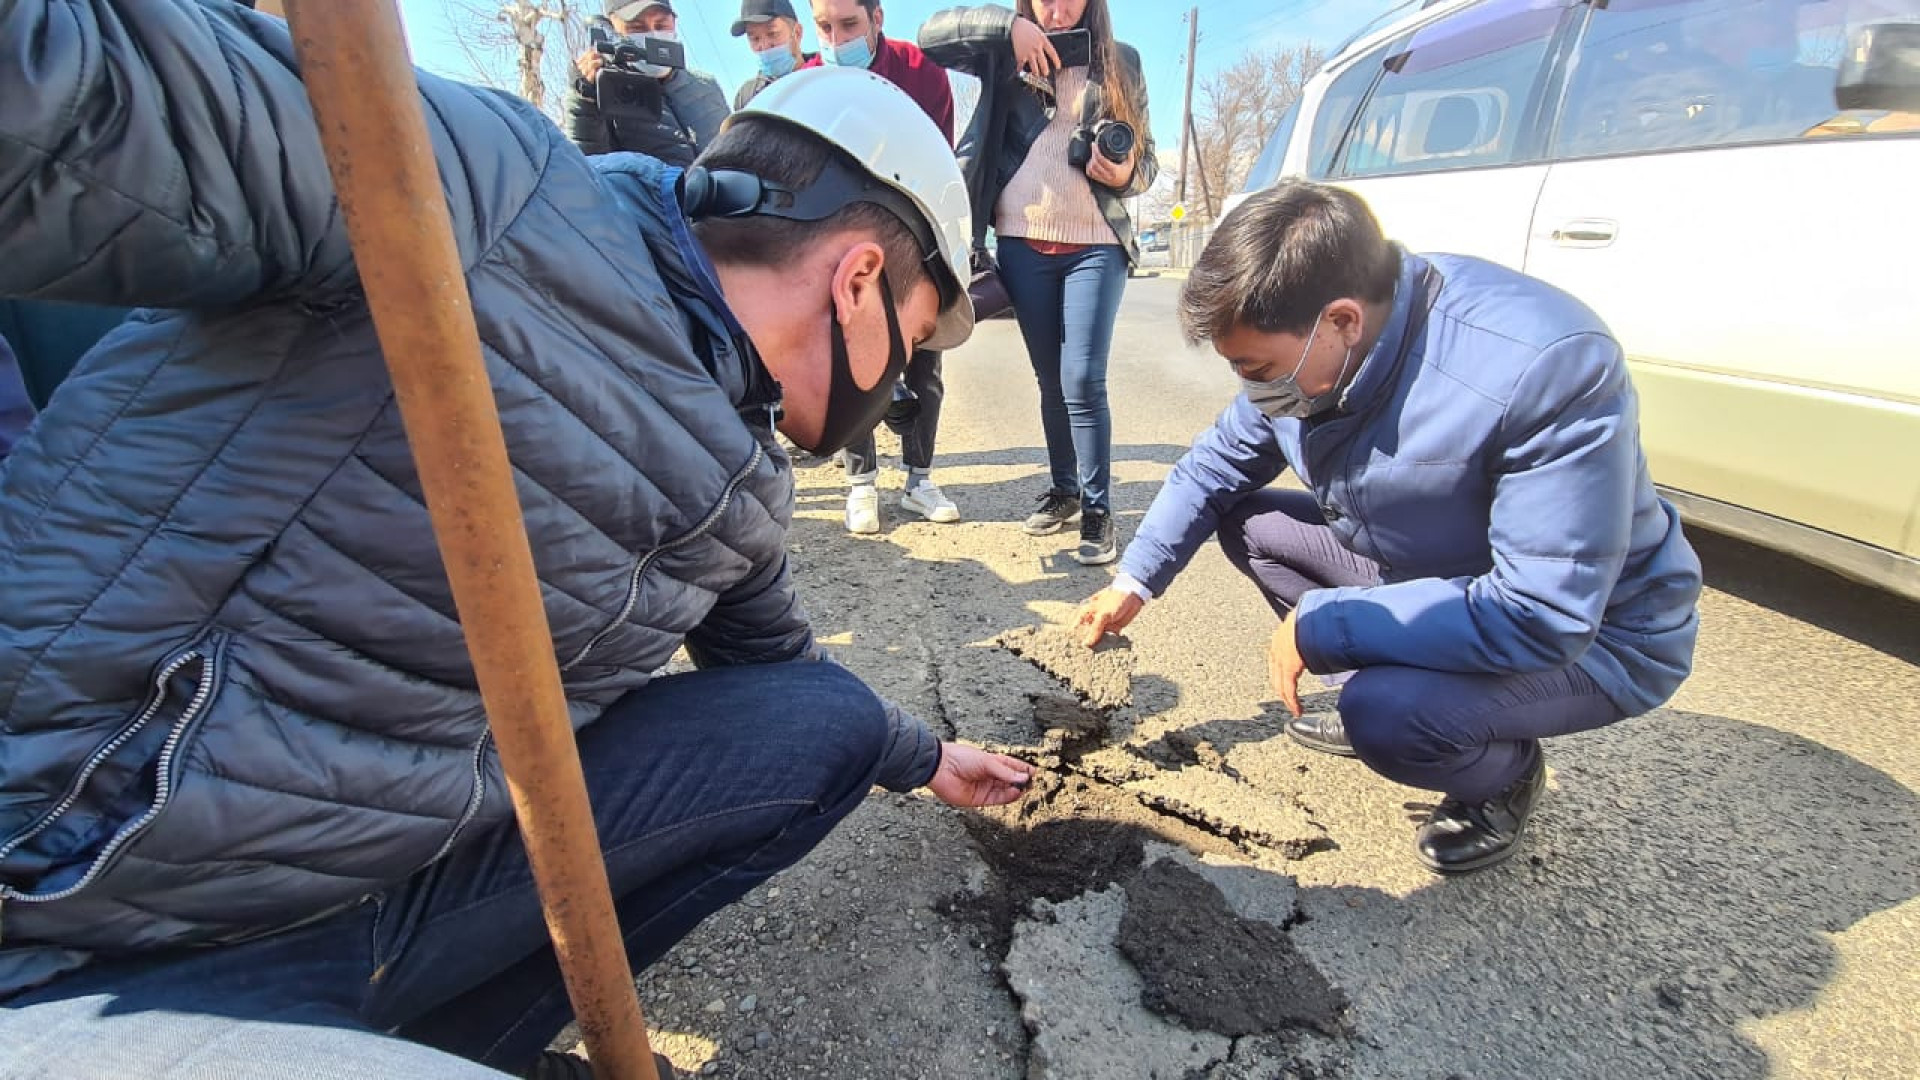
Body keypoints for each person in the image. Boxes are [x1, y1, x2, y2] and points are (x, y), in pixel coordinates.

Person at [0, 4, 1030, 1076]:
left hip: (372, 904)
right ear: (857, 278)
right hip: (83, 921)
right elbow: (74, 95)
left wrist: (922, 754)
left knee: (828, 720)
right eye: (913, 338)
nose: (902, 379)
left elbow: (778, 669)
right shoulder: (470, 187)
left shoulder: (741, 465)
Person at [1076, 182, 1703, 875]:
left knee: (1387, 713)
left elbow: (1543, 612)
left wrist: (1328, 625)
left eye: (1258, 370)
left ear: (1341, 321)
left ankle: (1500, 773)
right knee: (1252, 525)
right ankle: (1423, 688)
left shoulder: (1541, 366)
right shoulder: (1315, 356)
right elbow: (1210, 468)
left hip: (1596, 631)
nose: (1254, 391)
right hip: (1432, 573)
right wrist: (1133, 582)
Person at [921, 0, 1157, 565]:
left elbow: (1146, 163)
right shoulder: (1005, 57)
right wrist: (1009, 28)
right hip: (1023, 244)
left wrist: (1125, 173)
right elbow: (932, 37)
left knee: (1082, 377)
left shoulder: (1121, 62)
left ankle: (1099, 511)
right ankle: (1065, 490)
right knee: (1049, 377)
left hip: (1097, 242)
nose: (1056, 7)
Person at [801, 0, 963, 533]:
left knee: (925, 366)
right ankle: (861, 482)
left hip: (915, 241)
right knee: (855, 364)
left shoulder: (923, 74)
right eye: (824, 26)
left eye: (849, 24)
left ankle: (919, 478)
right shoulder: (809, 82)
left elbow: (940, 162)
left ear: (877, 17)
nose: (835, 37)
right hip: (843, 246)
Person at [568, 0, 728, 166]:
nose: (653, 34)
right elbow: (588, 167)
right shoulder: (602, 92)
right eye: (637, 27)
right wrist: (584, 101)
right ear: (610, 31)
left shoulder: (707, 86)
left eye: (661, 25)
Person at [732, 0, 815, 109]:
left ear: (797, 33)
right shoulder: (748, 97)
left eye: (772, 34)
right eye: (755, 39)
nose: (764, 46)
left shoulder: (826, 72)